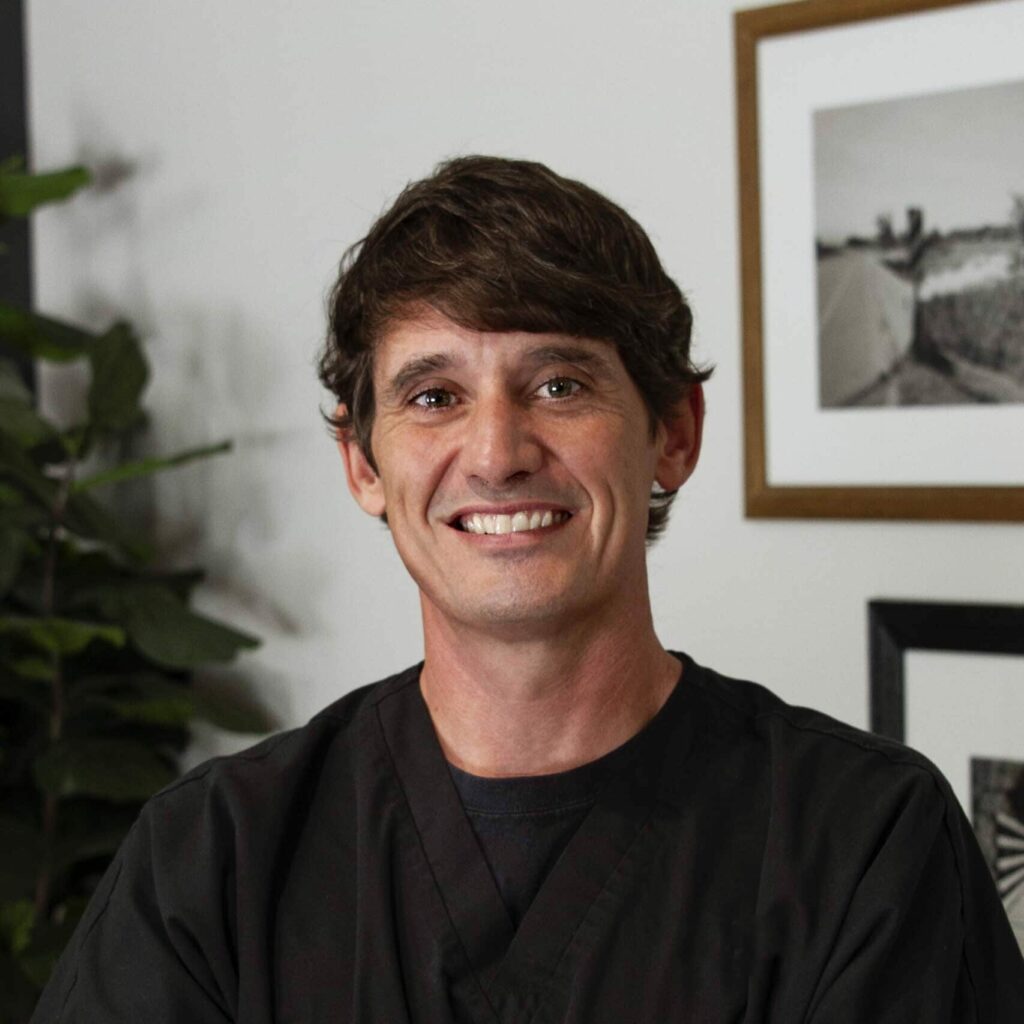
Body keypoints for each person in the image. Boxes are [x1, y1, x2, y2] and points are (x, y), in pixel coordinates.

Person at [32, 156, 1024, 1022]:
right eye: (434, 397)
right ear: (363, 463)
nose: (497, 452)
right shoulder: (210, 862)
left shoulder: (866, 846)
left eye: (559, 385)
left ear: (674, 434)